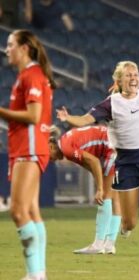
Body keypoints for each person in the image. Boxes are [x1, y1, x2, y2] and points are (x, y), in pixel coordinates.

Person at [56, 60, 139, 271]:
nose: (134, 78)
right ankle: (124, 228)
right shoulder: (111, 103)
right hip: (126, 164)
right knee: (130, 222)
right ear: (119, 80)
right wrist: (69, 118)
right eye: (128, 75)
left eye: (136, 74)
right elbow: (87, 119)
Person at [0, 29, 55, 280]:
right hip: (29, 147)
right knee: (31, 211)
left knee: (18, 211)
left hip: (29, 148)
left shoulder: (31, 76)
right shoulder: (29, 75)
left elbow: (33, 116)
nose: (6, 49)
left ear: (24, 48)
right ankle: (38, 273)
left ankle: (34, 274)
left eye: (10, 44)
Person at [48, 125, 122, 255]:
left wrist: (99, 188)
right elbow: (90, 166)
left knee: (105, 195)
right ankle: (109, 245)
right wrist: (99, 183)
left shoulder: (66, 148)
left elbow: (94, 161)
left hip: (112, 146)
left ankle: (98, 244)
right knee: (113, 195)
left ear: (50, 146)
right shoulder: (66, 146)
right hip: (115, 142)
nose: (48, 160)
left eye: (46, 155)